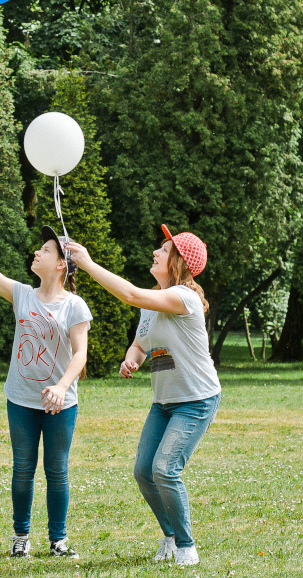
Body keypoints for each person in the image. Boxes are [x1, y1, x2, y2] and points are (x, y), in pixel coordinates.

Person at [68, 225, 219, 567]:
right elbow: (141, 342)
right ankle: (169, 535)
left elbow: (131, 295)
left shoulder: (185, 298)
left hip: (196, 400)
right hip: (164, 403)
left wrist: (88, 264)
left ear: (180, 262)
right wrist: (131, 359)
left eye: (164, 250)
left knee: (165, 469)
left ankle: (186, 546)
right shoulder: (153, 304)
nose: (155, 252)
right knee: (143, 471)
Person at [0, 199, 92, 559]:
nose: (37, 251)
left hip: (61, 403)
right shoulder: (22, 295)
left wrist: (61, 388)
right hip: (21, 398)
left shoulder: (74, 306)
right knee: (23, 468)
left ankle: (58, 539)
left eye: (45, 250)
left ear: (61, 264)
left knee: (57, 470)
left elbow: (80, 354)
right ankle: (21, 537)